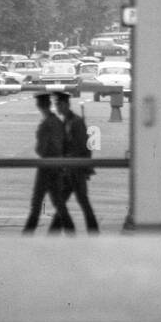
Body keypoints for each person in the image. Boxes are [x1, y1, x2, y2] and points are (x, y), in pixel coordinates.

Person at [22, 92, 74, 233]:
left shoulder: (45, 124)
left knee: (36, 204)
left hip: (46, 167)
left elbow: (41, 149)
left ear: (39, 106)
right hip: (57, 165)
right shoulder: (57, 121)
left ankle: (27, 234)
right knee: (59, 203)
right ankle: (71, 232)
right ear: (49, 105)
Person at [51, 91, 99, 233]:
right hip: (69, 170)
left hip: (75, 171)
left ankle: (91, 232)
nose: (57, 108)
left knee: (80, 203)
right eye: (56, 104)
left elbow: (82, 147)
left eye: (58, 104)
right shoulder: (67, 121)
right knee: (67, 203)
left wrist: (80, 167)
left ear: (65, 105)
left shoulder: (76, 122)